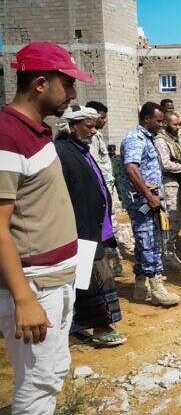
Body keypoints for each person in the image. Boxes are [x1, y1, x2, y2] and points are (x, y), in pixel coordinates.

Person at [0, 41, 92, 414]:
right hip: (35, 285)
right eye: (67, 84)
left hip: (56, 278)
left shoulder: (35, 131)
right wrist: (23, 299)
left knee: (51, 373)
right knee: (37, 386)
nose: (71, 95)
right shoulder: (7, 136)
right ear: (40, 83)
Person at [54, 105, 125, 348]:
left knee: (84, 279)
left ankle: (77, 328)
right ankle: (99, 326)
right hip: (80, 229)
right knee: (92, 278)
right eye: (89, 125)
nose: (94, 130)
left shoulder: (81, 149)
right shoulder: (61, 152)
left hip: (95, 227)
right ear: (72, 126)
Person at [119, 102, 181, 307]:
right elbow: (131, 168)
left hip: (150, 199)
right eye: (158, 120)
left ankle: (140, 286)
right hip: (143, 202)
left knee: (146, 240)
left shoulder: (147, 138)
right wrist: (148, 196)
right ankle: (156, 287)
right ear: (146, 119)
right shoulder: (135, 139)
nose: (161, 124)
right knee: (149, 240)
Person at [85, 100, 123, 277]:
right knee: (105, 227)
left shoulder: (98, 136)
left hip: (107, 189)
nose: (105, 120)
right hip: (99, 191)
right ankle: (106, 266)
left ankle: (113, 263)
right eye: (102, 117)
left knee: (110, 227)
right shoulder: (89, 138)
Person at [153, 111, 181, 272]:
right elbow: (165, 164)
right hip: (168, 184)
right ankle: (167, 255)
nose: (178, 127)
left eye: (179, 124)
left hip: (177, 184)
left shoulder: (173, 139)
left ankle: (168, 253)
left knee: (175, 220)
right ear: (166, 123)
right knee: (171, 221)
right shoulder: (161, 141)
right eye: (175, 124)